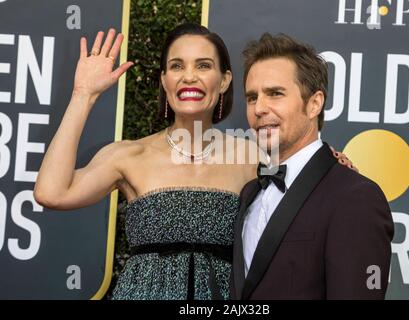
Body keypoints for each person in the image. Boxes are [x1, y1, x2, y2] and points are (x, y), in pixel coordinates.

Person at [34, 23, 353, 300]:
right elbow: (52, 193)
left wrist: (335, 167)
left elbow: (310, 188)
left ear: (225, 80)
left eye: (203, 66)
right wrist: (83, 94)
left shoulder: (255, 158)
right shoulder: (128, 156)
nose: (189, 77)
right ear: (164, 80)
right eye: (176, 66)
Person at [231, 33, 394, 300]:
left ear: (314, 104)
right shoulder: (250, 192)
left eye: (275, 94)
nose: (259, 108)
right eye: (252, 97)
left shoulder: (355, 197)